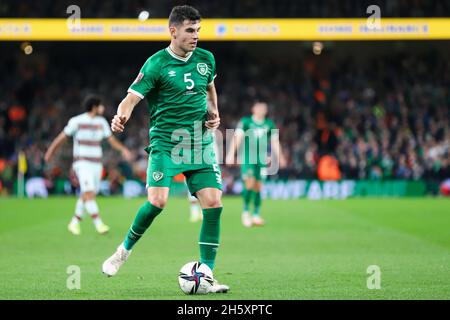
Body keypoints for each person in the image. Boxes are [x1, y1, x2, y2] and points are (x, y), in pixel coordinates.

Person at [101, 5, 228, 293]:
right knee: (157, 202)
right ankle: (123, 251)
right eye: (190, 31)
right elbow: (131, 98)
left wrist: (214, 112)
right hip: (166, 144)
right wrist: (121, 116)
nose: (196, 36)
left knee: (213, 203)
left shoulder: (206, 59)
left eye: (198, 30)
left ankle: (206, 274)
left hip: (199, 142)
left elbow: (209, 87)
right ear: (173, 31)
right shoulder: (156, 63)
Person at [44, 95, 132, 235]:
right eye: (100, 105)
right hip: (82, 163)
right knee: (89, 193)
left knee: (88, 194)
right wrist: (50, 152)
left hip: (96, 164)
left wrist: (123, 149)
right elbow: (62, 138)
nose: (102, 108)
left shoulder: (101, 122)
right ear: (95, 107)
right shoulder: (77, 121)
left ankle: (75, 221)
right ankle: (99, 224)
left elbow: (111, 140)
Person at [226, 101, 286, 227]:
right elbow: (237, 137)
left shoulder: (269, 124)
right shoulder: (246, 122)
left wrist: (281, 157)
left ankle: (256, 214)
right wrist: (231, 154)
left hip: (262, 159)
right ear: (253, 109)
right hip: (248, 158)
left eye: (263, 108)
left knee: (258, 186)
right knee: (249, 183)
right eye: (259, 108)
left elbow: (275, 142)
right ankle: (246, 212)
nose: (261, 110)